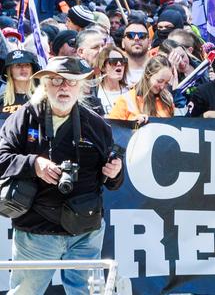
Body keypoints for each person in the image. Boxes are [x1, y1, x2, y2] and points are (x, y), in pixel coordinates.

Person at [0, 56, 123, 294]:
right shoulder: (25, 117)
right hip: (36, 231)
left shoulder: (96, 125)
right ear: (45, 84)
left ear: (82, 86)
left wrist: (115, 172)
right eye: (56, 81)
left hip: (85, 230)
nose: (64, 87)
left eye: (71, 81)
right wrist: (34, 164)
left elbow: (114, 179)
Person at [108, 56, 175, 123]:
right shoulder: (125, 100)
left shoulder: (167, 100)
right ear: (148, 75)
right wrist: (131, 124)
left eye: (166, 83)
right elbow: (112, 129)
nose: (162, 87)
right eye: (159, 81)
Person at [1, 50, 39, 114]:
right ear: (10, 71)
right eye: (18, 65)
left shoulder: (42, 98)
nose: (23, 68)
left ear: (32, 70)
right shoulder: (1, 100)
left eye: (27, 65)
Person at [95, 46, 129, 116]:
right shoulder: (94, 93)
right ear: (103, 67)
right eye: (114, 61)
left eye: (122, 61)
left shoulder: (130, 91)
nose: (119, 64)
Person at [121, 19, 151, 86]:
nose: (136, 38)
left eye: (142, 36)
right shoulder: (113, 68)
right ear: (122, 43)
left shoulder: (158, 68)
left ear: (149, 42)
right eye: (130, 35)